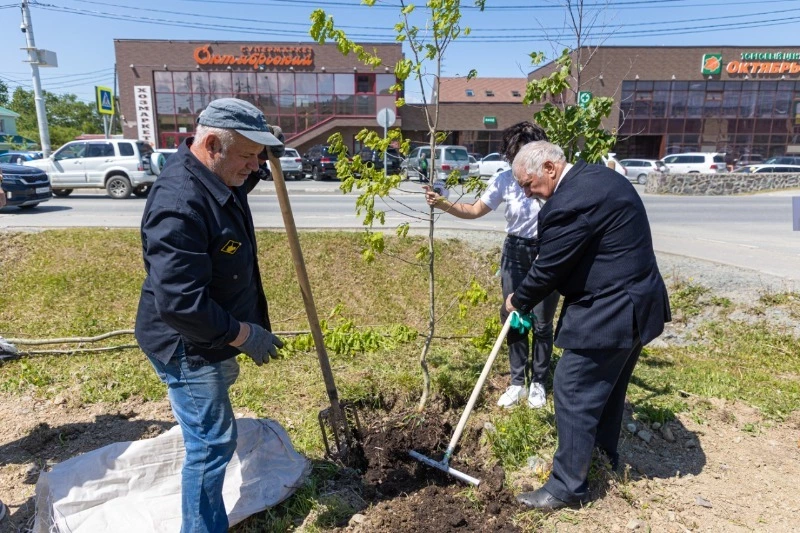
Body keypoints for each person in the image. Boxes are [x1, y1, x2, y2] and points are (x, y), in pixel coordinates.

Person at [135, 98, 286, 533]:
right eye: (248, 156)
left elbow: (244, 173)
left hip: (209, 334)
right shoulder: (179, 203)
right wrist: (244, 335)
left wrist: (263, 149)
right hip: (187, 343)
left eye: (260, 157)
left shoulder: (219, 173)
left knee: (211, 424)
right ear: (213, 145)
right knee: (211, 443)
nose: (254, 167)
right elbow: (182, 304)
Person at [505, 141, 671, 511]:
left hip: (612, 309)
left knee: (573, 385)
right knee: (607, 389)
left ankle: (566, 488)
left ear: (550, 168)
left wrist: (517, 299)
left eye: (528, 184)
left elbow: (550, 267)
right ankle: (600, 457)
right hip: (636, 302)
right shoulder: (597, 176)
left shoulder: (570, 203)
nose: (527, 193)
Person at [424, 122, 560, 409]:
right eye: (515, 156)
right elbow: (475, 209)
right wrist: (443, 203)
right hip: (515, 252)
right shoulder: (504, 180)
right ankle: (517, 383)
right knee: (515, 316)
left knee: (542, 321)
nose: (520, 162)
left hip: (548, 251)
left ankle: (538, 382)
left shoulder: (553, 180)